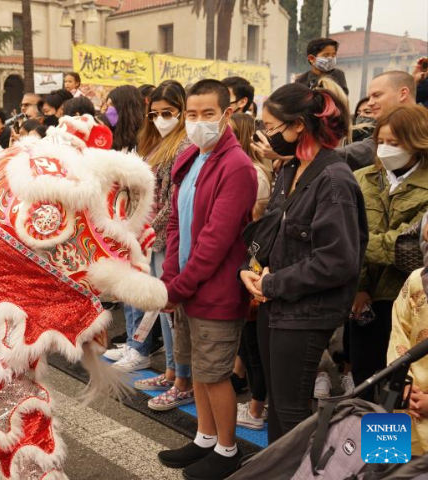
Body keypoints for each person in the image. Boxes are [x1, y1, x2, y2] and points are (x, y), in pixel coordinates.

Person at [239, 82, 367, 444]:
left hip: (305, 310)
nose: (265, 134)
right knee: (279, 405)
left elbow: (337, 260)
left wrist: (271, 283)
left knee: (293, 410)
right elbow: (274, 232)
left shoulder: (333, 178)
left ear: (298, 126)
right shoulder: (289, 168)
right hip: (275, 304)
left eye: (272, 127)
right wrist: (251, 269)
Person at [157, 79, 257, 479]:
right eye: (192, 115)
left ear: (227, 114)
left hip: (213, 290)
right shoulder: (191, 158)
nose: (198, 123)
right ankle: (204, 438)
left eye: (208, 115)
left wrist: (178, 287)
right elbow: (177, 226)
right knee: (197, 368)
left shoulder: (237, 167)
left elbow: (216, 240)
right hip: (186, 286)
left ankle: (228, 449)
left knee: (215, 373)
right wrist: (169, 278)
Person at [121, 80, 194, 411]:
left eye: (169, 112)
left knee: (170, 310)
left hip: (167, 238)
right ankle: (169, 371)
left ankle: (182, 378)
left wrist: (148, 228)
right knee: (159, 309)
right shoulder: (152, 142)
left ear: (181, 111)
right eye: (156, 113)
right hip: (151, 236)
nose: (161, 118)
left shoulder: (184, 146)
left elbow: (173, 200)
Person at [351, 105, 428, 400]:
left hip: (410, 300)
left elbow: (406, 247)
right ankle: (368, 446)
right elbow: (352, 229)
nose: (385, 149)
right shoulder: (363, 178)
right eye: (381, 141)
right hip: (366, 302)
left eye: (394, 143)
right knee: (366, 378)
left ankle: (395, 447)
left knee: (401, 386)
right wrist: (359, 286)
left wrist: (353, 247)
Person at [227, 112, 272, 430]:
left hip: (257, 268)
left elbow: (255, 228)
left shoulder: (255, 173)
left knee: (256, 346)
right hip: (245, 267)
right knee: (248, 342)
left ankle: (258, 409)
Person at [388, 215, 428, 457]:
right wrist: (402, 386)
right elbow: (398, 336)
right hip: (407, 395)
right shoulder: (415, 281)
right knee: (384, 457)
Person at [335, 71, 417, 170]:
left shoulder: (419, 127)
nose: (370, 103)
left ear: (403, 94)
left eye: (377, 95)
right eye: (381, 142)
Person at [105, 85, 145, 152]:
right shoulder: (111, 135)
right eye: (107, 105)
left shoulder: (144, 137)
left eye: (112, 104)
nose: (108, 110)